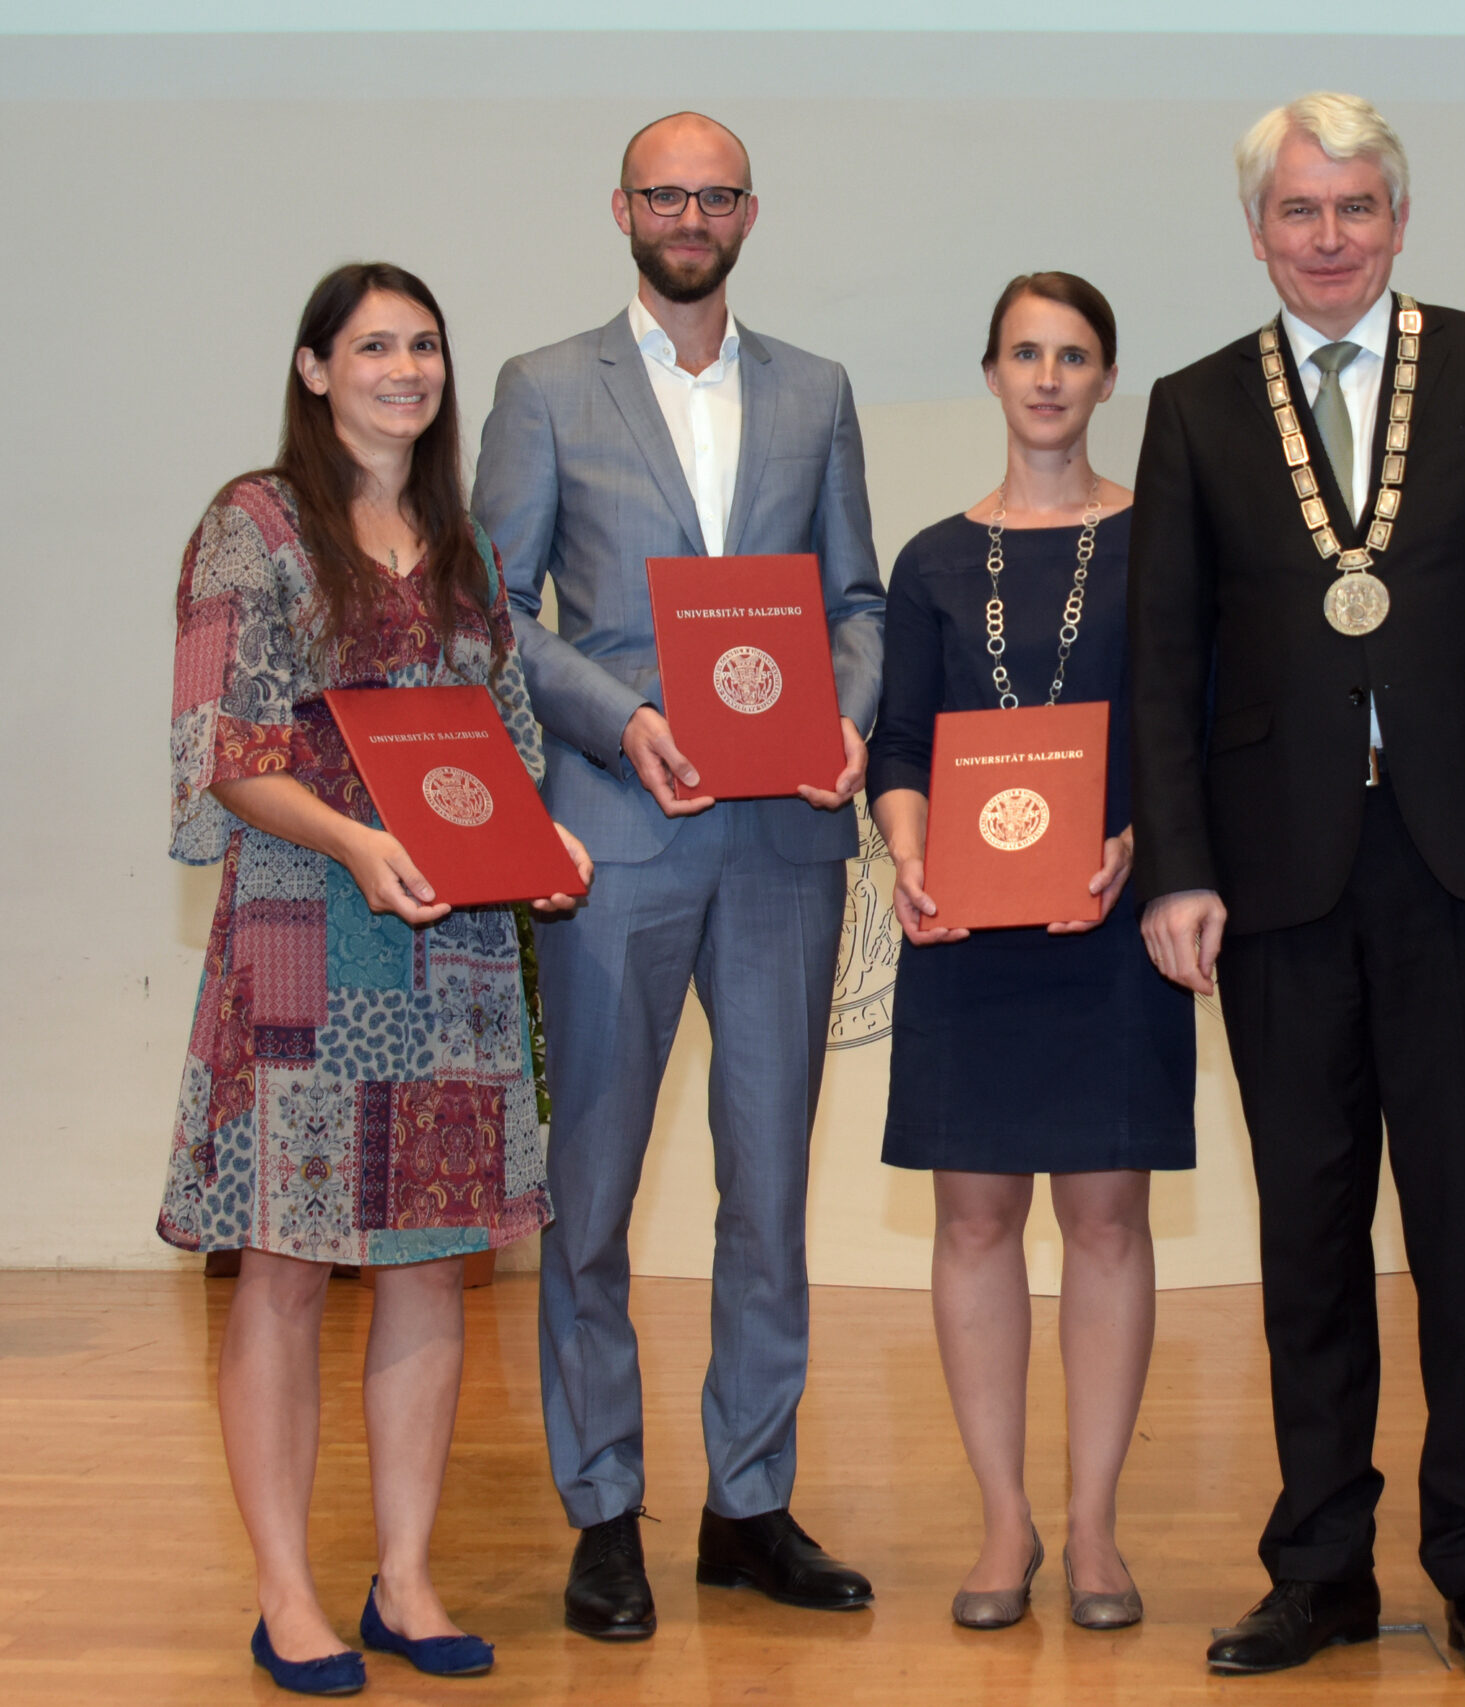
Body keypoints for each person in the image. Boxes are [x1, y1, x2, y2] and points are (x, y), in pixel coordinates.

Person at [1129, 92, 1465, 1692]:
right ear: (1257, 230)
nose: (1327, 239)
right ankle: (1319, 1566)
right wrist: (1179, 868)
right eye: (1297, 214)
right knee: (1307, 1229)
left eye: (1354, 210)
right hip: (1275, 874)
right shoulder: (1197, 408)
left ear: (1400, 219)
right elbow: (1166, 665)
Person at [473, 111, 886, 1639]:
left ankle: (749, 1505)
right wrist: (622, 717)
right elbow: (497, 610)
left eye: (715, 195)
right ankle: (601, 1514)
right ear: (623, 207)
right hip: (615, 832)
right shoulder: (539, 390)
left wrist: (849, 712)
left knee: (768, 1191)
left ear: (750, 214)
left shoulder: (817, 391)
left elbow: (855, 593)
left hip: (785, 841)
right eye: (667, 192)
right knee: (591, 1199)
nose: (690, 215)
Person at [160, 262, 591, 1694]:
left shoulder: (457, 542)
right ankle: (286, 1591)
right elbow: (223, 750)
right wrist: (355, 840)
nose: (405, 368)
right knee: (284, 1267)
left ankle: (405, 1577)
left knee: (431, 1267)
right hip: (305, 937)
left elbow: (510, 731)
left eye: (424, 346)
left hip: (455, 951)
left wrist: (542, 841)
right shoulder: (255, 526)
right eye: (373, 346)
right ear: (313, 370)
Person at [867, 272, 1196, 1632]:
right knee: (975, 1221)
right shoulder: (934, 557)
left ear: (1109, 377)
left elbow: (1199, 725)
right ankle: (1005, 1522)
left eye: (1074, 356)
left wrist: (1141, 838)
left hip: (1113, 923)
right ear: (992, 375)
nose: (1049, 377)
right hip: (966, 925)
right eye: (1025, 354)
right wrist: (907, 847)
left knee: (1108, 1221)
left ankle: (1095, 1527)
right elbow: (898, 745)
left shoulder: (1169, 542)